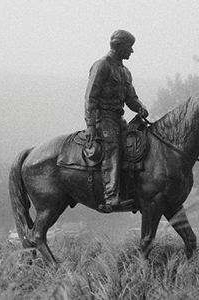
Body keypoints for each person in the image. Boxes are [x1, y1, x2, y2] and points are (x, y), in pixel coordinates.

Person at [84, 29, 149, 213]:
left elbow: (131, 99)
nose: (132, 51)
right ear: (119, 46)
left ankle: (135, 190)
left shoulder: (125, 72)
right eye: (130, 47)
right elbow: (90, 97)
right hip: (103, 119)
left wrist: (140, 107)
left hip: (119, 119)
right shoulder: (101, 66)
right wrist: (90, 125)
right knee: (113, 147)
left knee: (137, 144)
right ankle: (111, 196)